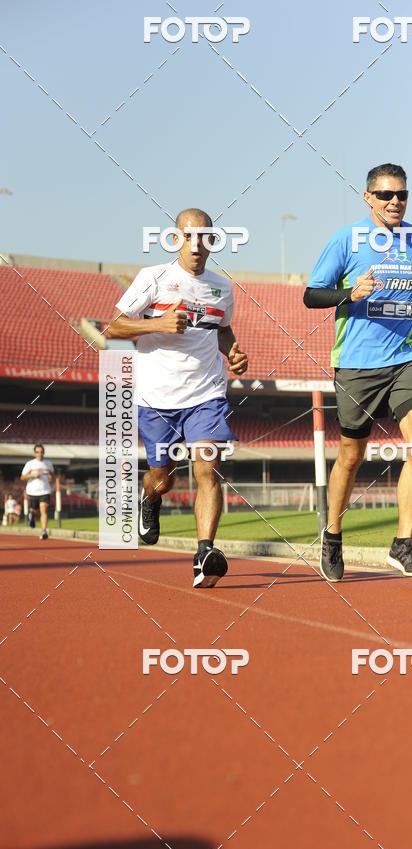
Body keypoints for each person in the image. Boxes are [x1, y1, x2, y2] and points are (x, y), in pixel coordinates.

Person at [304, 162, 412, 581]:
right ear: (368, 197)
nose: (395, 201)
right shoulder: (346, 239)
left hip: (408, 357)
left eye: (402, 195)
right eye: (385, 195)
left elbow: (406, 289)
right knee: (351, 455)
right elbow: (311, 295)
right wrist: (349, 292)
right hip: (358, 365)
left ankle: (403, 545)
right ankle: (333, 534)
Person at [107, 207, 248, 588]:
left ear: (214, 241)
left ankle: (204, 553)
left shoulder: (222, 287)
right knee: (162, 479)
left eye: (205, 237)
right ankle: (150, 497)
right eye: (189, 236)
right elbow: (114, 326)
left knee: (208, 468)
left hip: (206, 394)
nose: (197, 244)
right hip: (157, 399)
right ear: (176, 239)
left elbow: (222, 330)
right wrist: (157, 324)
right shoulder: (154, 278)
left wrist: (233, 352)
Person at [20, 443, 55, 539]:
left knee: (44, 510)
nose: (40, 454)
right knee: (35, 511)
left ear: (44, 452)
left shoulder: (48, 463)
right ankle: (32, 516)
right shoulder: (30, 464)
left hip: (45, 490)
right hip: (32, 491)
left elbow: (52, 476)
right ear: (34, 453)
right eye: (37, 452)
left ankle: (44, 531)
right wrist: (33, 475)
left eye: (41, 452)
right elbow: (22, 477)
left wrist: (51, 477)